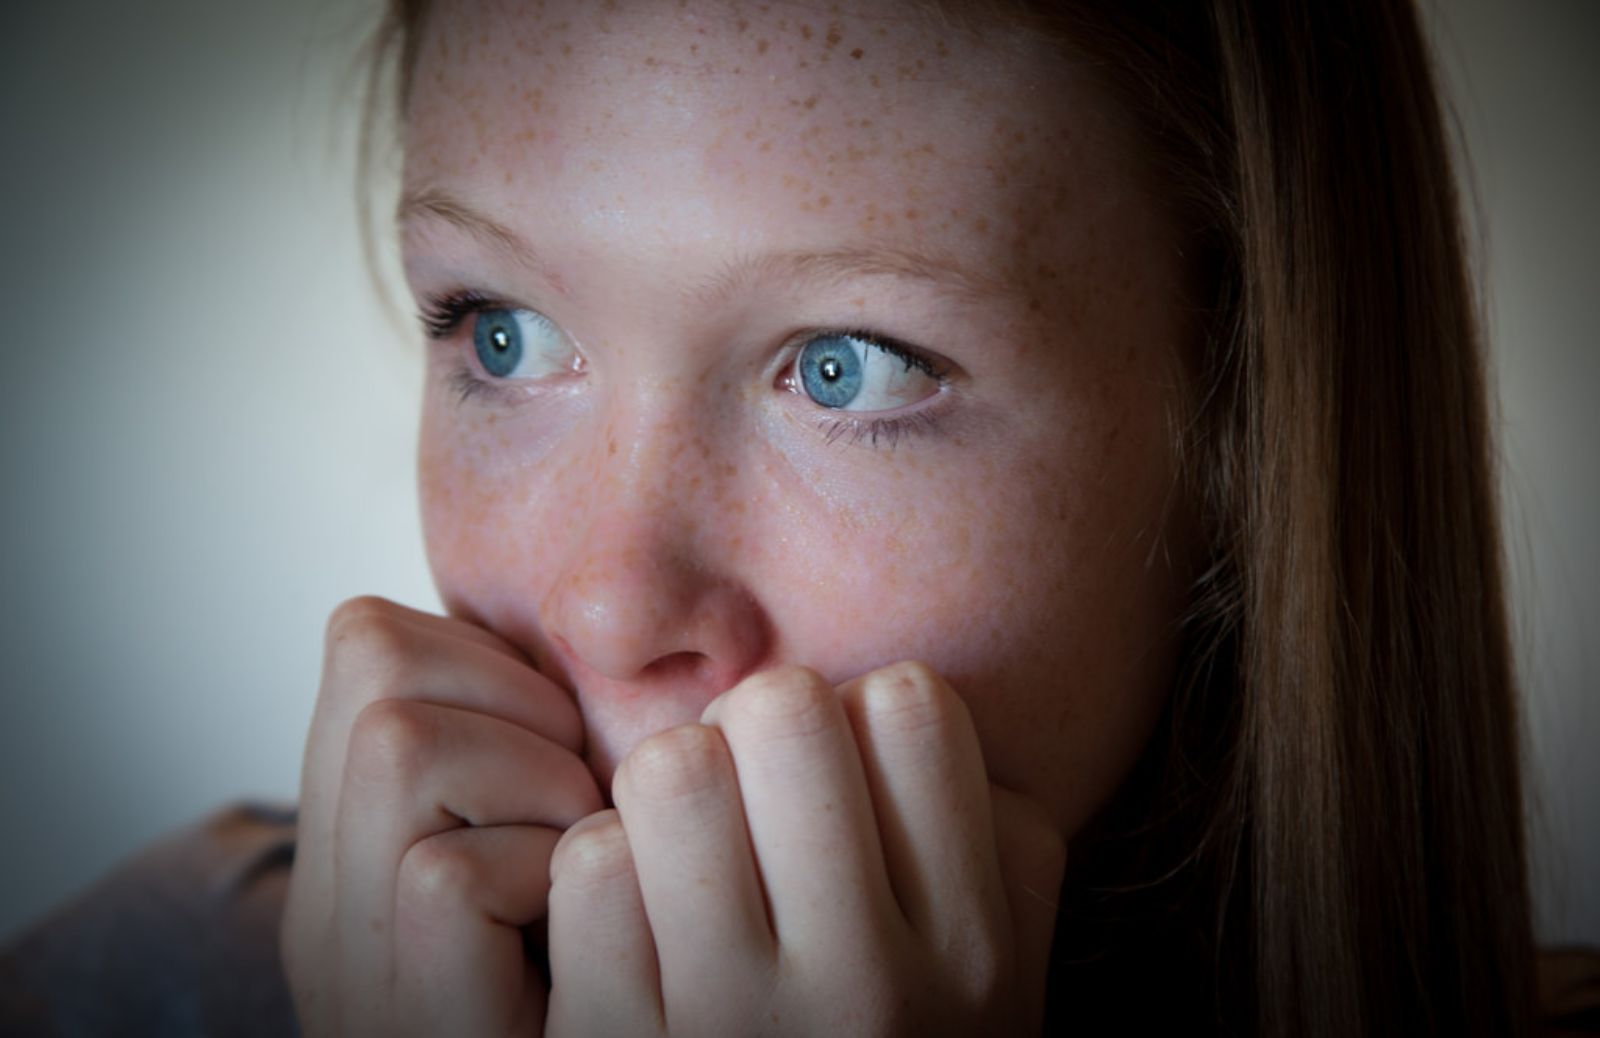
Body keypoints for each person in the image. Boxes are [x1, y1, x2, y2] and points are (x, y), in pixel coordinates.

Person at [4, 1, 1589, 1035]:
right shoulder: (137, 986)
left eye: (849, 367)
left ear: (1242, 454)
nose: (608, 609)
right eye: (503, 331)